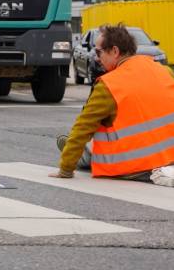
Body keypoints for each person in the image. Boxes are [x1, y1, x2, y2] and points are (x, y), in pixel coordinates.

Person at [51, 23, 174, 180]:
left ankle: (81, 154)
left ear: (115, 51)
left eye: (98, 52)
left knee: (93, 147)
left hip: (134, 167)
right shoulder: (164, 71)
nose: (96, 57)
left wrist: (65, 169)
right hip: (169, 161)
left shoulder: (110, 85)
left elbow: (83, 128)